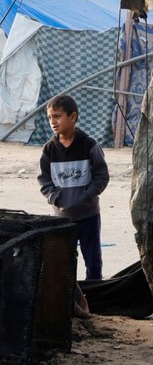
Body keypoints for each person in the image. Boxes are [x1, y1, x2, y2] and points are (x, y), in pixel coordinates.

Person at [37, 94, 109, 281]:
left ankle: (93, 298)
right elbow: (44, 181)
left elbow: (101, 177)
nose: (53, 121)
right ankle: (68, 301)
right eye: (50, 117)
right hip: (61, 219)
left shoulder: (90, 145)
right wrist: (56, 198)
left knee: (93, 261)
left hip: (88, 216)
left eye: (57, 116)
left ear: (73, 117)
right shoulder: (49, 150)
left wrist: (86, 196)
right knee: (62, 262)